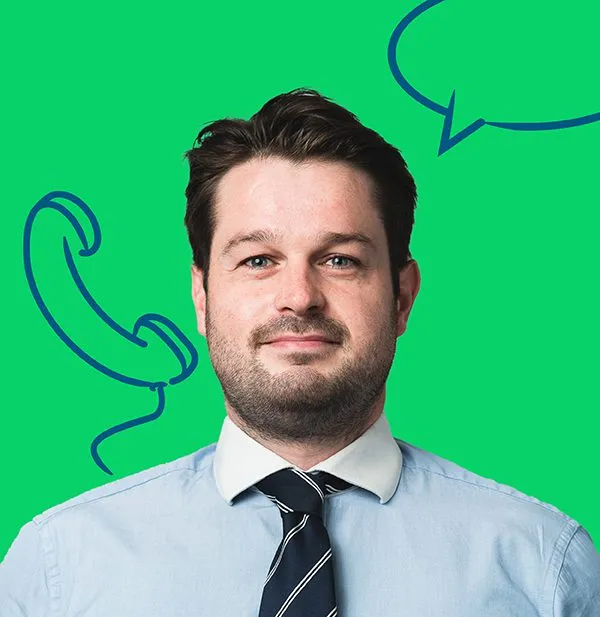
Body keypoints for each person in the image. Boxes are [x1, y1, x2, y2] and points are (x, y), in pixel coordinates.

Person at [1, 88, 599, 616]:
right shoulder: (60, 568)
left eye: (340, 259)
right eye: (258, 260)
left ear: (402, 298)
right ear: (202, 298)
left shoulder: (543, 566)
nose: (299, 297)